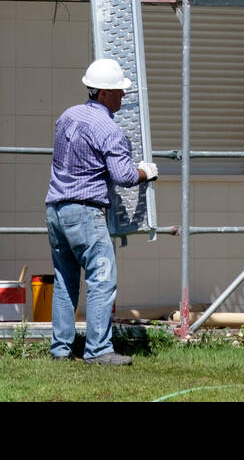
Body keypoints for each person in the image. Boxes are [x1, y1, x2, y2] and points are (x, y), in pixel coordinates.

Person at [45, 58, 159, 364]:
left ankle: (61, 350)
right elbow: (123, 176)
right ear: (104, 93)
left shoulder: (67, 116)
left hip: (55, 209)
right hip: (85, 213)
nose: (123, 95)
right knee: (102, 278)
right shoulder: (108, 128)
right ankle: (98, 351)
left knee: (66, 280)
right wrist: (145, 171)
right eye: (119, 91)